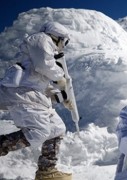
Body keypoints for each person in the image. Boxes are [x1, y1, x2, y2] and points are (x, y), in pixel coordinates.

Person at [0, 22, 73, 180]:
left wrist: (62, 98)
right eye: (65, 42)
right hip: (22, 95)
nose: (63, 47)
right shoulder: (41, 39)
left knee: (57, 129)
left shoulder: (43, 50)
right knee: (39, 132)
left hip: (33, 95)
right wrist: (59, 76)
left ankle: (47, 171)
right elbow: (44, 66)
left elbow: (39, 80)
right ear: (58, 37)